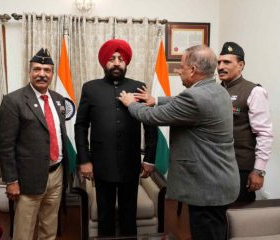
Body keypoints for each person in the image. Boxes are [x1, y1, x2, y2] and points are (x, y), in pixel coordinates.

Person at [118, 45, 240, 240]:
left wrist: (130, 103)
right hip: (220, 181)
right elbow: (179, 100)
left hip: (206, 188)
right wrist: (155, 99)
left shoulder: (194, 97)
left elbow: (151, 117)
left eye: (181, 66)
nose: (178, 70)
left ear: (192, 70)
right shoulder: (218, 90)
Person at [75, 39, 157, 237]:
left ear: (126, 62)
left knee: (130, 216)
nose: (117, 63)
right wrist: (84, 160)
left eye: (121, 59)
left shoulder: (138, 88)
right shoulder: (90, 88)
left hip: (131, 164)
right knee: (105, 216)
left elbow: (150, 124)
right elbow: (81, 126)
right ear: (104, 62)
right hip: (102, 165)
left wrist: (149, 159)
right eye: (112, 59)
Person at [0, 48, 69, 240]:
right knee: (24, 231)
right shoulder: (13, 101)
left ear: (52, 74)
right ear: (29, 72)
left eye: (47, 70)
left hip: (56, 173)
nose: (42, 74)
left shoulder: (58, 99)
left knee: (49, 227)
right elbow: (5, 145)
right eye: (37, 69)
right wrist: (11, 180)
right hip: (27, 178)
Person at [218, 42, 273, 202]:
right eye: (219, 62)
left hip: (240, 168)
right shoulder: (215, 90)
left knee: (238, 217)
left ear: (241, 65)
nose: (220, 66)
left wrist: (259, 171)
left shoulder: (254, 91)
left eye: (227, 62)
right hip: (216, 167)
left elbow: (264, 134)